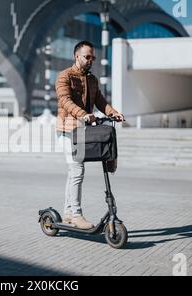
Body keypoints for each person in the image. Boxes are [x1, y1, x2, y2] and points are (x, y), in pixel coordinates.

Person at [55, 40, 125, 229]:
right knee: (77, 171)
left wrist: (113, 113)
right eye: (87, 57)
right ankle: (76, 214)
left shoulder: (92, 79)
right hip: (67, 130)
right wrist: (84, 115)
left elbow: (100, 101)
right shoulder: (64, 76)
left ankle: (68, 213)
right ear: (76, 56)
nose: (90, 60)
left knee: (73, 174)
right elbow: (65, 101)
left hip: (84, 130)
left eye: (93, 57)